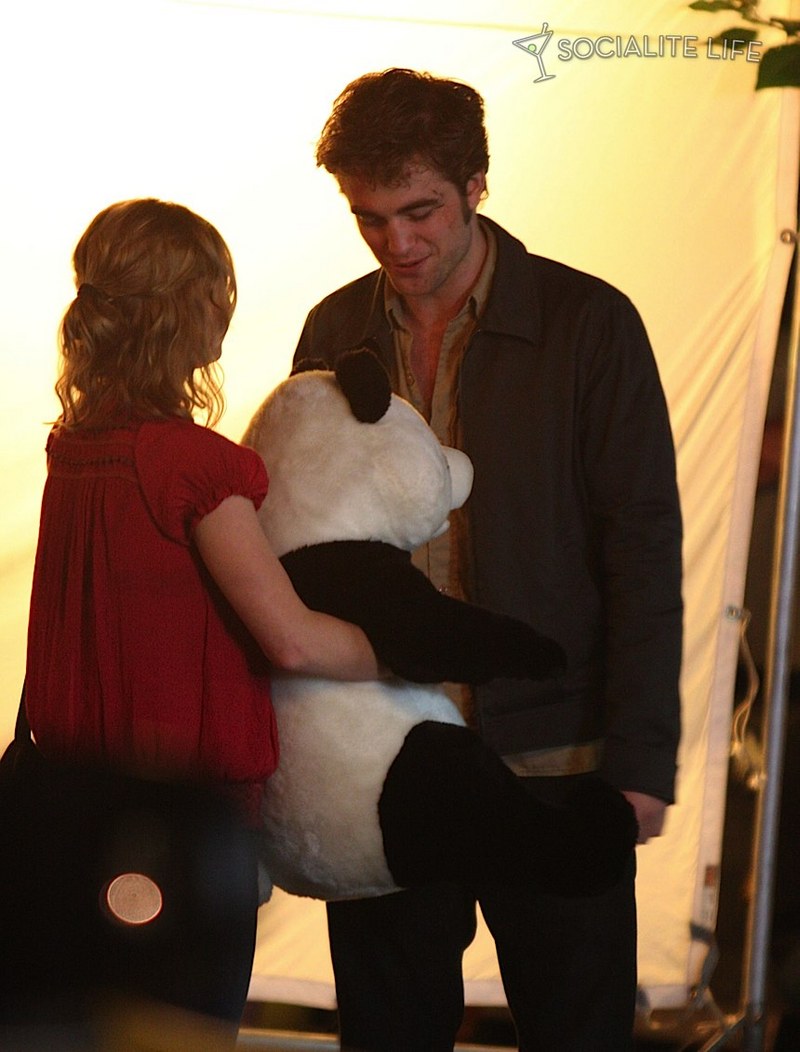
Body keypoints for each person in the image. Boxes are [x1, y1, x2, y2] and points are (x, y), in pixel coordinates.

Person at [293, 69, 683, 1051]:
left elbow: (642, 549)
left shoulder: (588, 324)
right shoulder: (334, 330)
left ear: (476, 185)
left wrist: (641, 760)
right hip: (385, 761)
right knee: (387, 1034)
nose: (395, 242)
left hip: (557, 762)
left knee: (576, 1031)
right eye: (368, 217)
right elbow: (304, 547)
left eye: (419, 211)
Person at [19, 198, 380, 1042]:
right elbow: (291, 637)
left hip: (74, 814)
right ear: (187, 307)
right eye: (219, 287)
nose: (228, 303)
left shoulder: (73, 446)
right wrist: (400, 655)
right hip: (182, 823)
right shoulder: (195, 465)